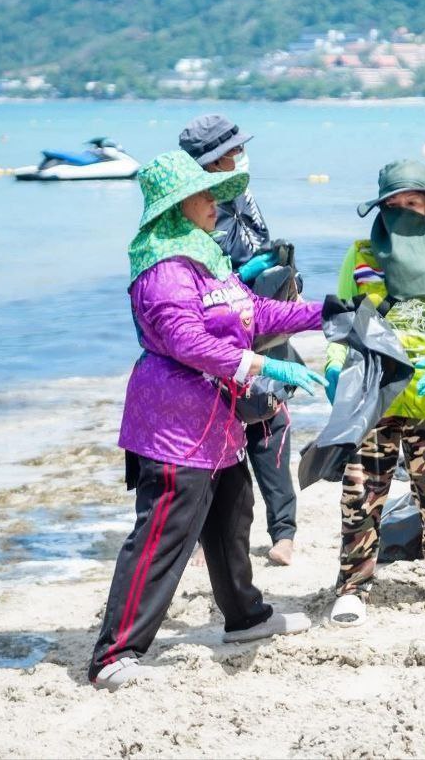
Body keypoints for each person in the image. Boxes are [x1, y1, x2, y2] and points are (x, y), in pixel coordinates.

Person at [88, 151, 327, 691]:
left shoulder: (205, 257)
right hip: (172, 423)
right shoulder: (163, 267)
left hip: (215, 423)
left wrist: (323, 313)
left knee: (231, 514)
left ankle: (245, 617)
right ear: (177, 206)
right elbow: (186, 341)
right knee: (162, 534)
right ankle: (114, 654)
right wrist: (260, 364)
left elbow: (253, 315)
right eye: (204, 195)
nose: (216, 202)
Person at [324, 159, 425, 627]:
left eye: (411, 203)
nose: (402, 211)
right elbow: (341, 324)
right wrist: (335, 367)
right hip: (370, 398)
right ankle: (353, 586)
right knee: (360, 496)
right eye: (392, 204)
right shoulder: (360, 255)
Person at [179, 114, 300, 567]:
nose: (238, 157)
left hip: (263, 321)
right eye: (230, 153)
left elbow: (258, 242)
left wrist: (282, 274)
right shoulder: (190, 208)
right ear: (209, 162)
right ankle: (197, 535)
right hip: (218, 331)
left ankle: (283, 532)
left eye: (238, 150)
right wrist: (240, 278)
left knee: (270, 424)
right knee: (211, 434)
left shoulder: (241, 190)